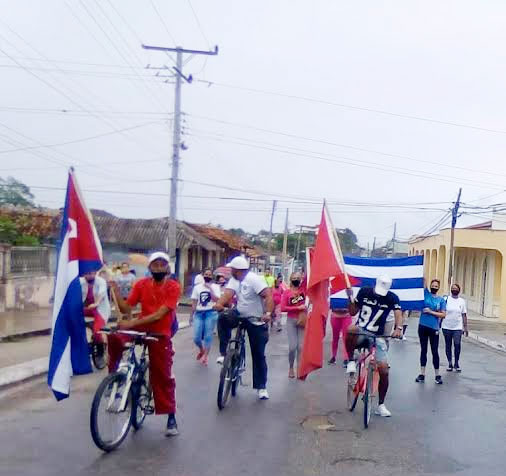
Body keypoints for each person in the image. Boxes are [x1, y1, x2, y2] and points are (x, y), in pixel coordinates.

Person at [109, 252, 181, 437]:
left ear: (167, 268)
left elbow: (159, 315)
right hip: (141, 327)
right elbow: (127, 308)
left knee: (163, 375)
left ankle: (170, 416)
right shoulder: (141, 284)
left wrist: (131, 323)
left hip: (160, 333)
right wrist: (116, 292)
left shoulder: (173, 286)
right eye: (154, 265)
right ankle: (114, 377)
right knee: (115, 336)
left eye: (161, 264)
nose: (158, 268)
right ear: (149, 268)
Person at [215, 256, 274, 400]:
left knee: (258, 354)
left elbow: (268, 296)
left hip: (256, 319)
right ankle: (224, 354)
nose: (230, 271)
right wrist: (219, 304)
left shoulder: (254, 279)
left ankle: (261, 387)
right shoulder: (234, 280)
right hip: (240, 314)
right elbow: (227, 294)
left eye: (232, 269)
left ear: (237, 270)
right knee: (223, 318)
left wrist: (267, 313)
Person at [345, 275, 403, 417]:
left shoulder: (392, 297)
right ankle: (351, 360)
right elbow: (352, 312)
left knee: (384, 369)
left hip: (378, 336)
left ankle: (381, 404)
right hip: (361, 331)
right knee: (351, 328)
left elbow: (398, 314)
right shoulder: (364, 292)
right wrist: (350, 298)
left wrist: (398, 328)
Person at [416, 278, 447, 385]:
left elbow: (443, 314)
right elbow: (423, 280)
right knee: (423, 350)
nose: (434, 287)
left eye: (436, 286)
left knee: (434, 351)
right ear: (430, 286)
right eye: (433, 285)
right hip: (422, 326)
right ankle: (422, 374)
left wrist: (431, 312)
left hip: (434, 328)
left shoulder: (441, 300)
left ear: (439, 287)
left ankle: (437, 375)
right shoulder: (426, 294)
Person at [191, 268, 220, 365]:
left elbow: (217, 300)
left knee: (208, 336)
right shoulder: (197, 288)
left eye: (209, 275)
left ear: (212, 277)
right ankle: (201, 349)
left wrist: (210, 289)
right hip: (199, 314)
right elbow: (194, 302)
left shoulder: (216, 287)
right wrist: (191, 315)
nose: (207, 276)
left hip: (210, 313)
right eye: (206, 274)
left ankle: (205, 356)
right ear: (203, 275)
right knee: (196, 338)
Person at [280, 272, 306, 378]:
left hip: (302, 320)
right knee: (292, 347)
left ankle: (299, 368)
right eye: (294, 278)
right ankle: (291, 367)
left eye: (298, 278)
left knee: (300, 347)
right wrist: (296, 308)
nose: (296, 280)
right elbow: (282, 308)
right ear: (291, 280)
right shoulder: (287, 293)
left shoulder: (304, 291)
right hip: (291, 320)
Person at [80, 267, 111, 350]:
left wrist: (96, 303)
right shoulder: (80, 281)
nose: (90, 275)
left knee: (98, 332)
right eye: (88, 273)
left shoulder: (101, 281)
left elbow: (102, 293)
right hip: (86, 309)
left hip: (99, 310)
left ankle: (101, 349)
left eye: (92, 273)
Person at [442, 283, 468, 372]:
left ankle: (456, 363)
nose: (454, 290)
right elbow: (441, 311)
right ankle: (450, 363)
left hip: (457, 327)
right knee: (448, 345)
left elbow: (464, 315)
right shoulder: (446, 299)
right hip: (446, 326)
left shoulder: (462, 301)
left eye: (456, 288)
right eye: (452, 288)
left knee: (457, 345)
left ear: (459, 290)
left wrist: (465, 327)